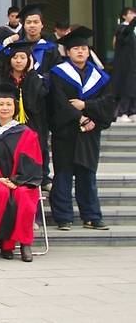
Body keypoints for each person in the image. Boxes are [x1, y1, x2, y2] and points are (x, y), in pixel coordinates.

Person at [46, 27, 115, 231]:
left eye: (83, 48)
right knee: (63, 174)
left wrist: (86, 106)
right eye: (75, 48)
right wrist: (81, 118)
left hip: (89, 133)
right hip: (66, 131)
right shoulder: (58, 74)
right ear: (68, 52)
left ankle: (91, 216)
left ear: (88, 51)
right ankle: (63, 217)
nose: (80, 52)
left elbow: (107, 102)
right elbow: (58, 102)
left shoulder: (100, 77)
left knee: (87, 175)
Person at [0, 83, 43, 262]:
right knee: (1, 192)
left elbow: (32, 161)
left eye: (9, 104)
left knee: (23, 195)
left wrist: (17, 180)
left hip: (23, 181)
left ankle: (25, 244)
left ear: (15, 107)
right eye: (1, 104)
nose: (5, 108)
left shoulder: (26, 133)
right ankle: (5, 243)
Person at [2, 41, 51, 190]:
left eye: (23, 57)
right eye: (15, 57)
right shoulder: (4, 79)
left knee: (37, 147)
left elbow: (33, 104)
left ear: (29, 59)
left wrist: (31, 74)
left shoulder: (37, 79)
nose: (18, 61)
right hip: (8, 123)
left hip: (33, 122)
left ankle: (42, 177)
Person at [12, 3, 61, 73]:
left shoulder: (51, 49)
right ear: (24, 26)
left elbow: (56, 72)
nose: (32, 25)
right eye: (28, 22)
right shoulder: (16, 47)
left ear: (42, 25)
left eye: (36, 22)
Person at [111, 7, 136, 123]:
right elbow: (126, 33)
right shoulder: (122, 28)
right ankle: (122, 112)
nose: (133, 15)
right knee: (127, 88)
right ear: (124, 16)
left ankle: (133, 111)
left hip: (133, 64)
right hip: (126, 65)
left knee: (133, 88)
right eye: (131, 13)